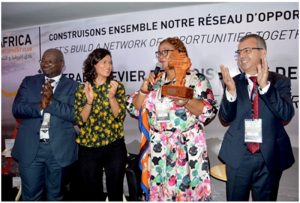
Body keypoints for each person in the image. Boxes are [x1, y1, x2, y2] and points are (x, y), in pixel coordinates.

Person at [126, 37, 218, 201]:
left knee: (186, 194)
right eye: (159, 53)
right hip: (159, 148)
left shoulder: (195, 80)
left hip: (186, 149)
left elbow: (209, 110)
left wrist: (187, 101)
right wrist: (143, 91)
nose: (161, 56)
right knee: (161, 194)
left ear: (180, 54)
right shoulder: (155, 81)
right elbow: (134, 108)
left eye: (165, 52)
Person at [218, 34, 295, 201]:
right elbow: (224, 118)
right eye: (239, 52)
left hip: (269, 156)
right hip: (238, 156)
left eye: (247, 50)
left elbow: (287, 114)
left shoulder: (280, 81)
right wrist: (230, 92)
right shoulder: (233, 82)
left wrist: (265, 87)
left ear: (263, 53)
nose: (242, 56)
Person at [11, 48, 79, 200]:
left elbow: (77, 116)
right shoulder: (28, 82)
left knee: (56, 196)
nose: (45, 64)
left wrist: (52, 102)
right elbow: (17, 109)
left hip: (59, 151)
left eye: (50, 61)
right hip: (31, 150)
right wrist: (40, 106)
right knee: (30, 196)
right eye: (43, 60)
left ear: (61, 64)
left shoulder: (74, 86)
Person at [74, 48, 127, 201]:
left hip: (114, 146)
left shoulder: (117, 87)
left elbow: (120, 116)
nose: (108, 66)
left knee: (115, 191)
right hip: (89, 148)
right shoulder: (82, 89)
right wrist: (89, 101)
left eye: (110, 62)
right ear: (94, 65)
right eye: (104, 62)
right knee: (92, 193)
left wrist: (112, 97)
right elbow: (80, 121)